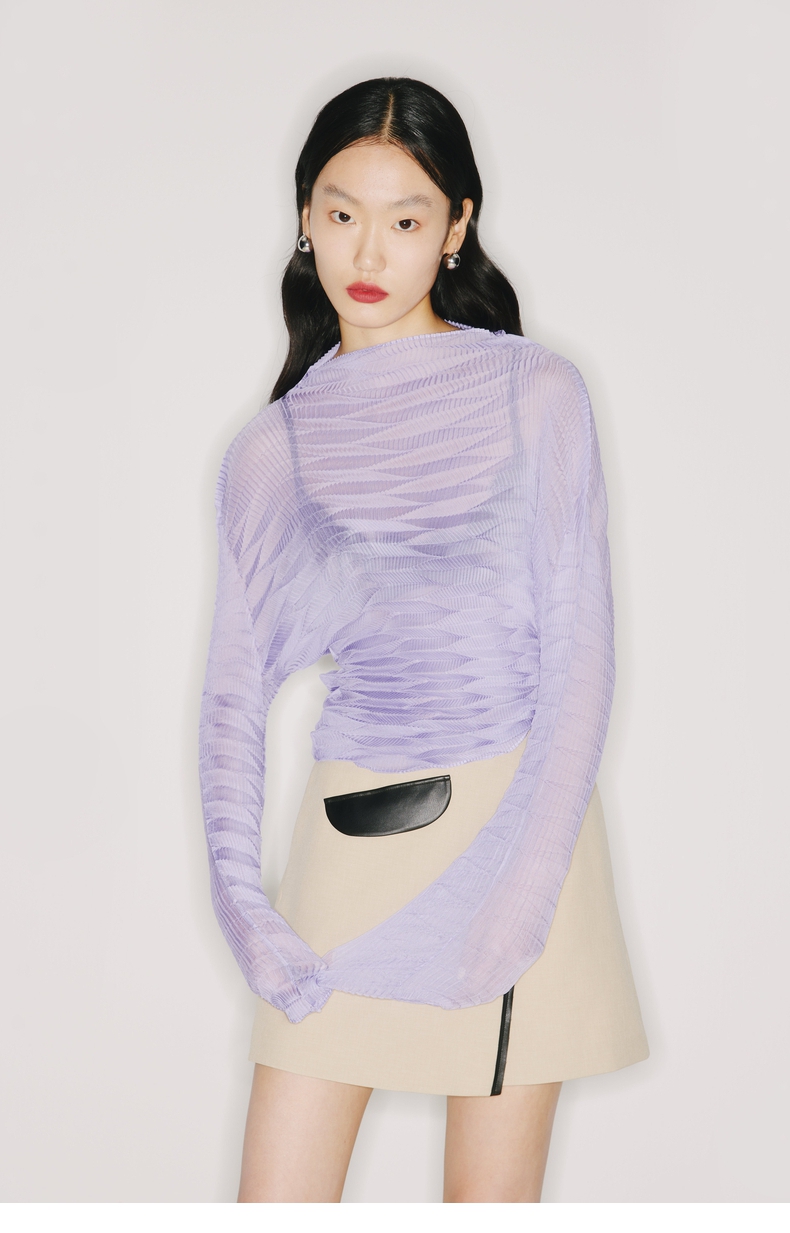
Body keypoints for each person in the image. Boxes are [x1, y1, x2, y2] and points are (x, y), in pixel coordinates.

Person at [198, 77, 649, 1203]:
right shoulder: (272, 448)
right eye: (342, 211)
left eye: (406, 219)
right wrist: (242, 904)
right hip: (349, 839)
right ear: (305, 218)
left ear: (455, 228)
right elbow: (233, 699)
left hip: (520, 824)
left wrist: (522, 893)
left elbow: (581, 657)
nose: (369, 250)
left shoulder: (537, 391)